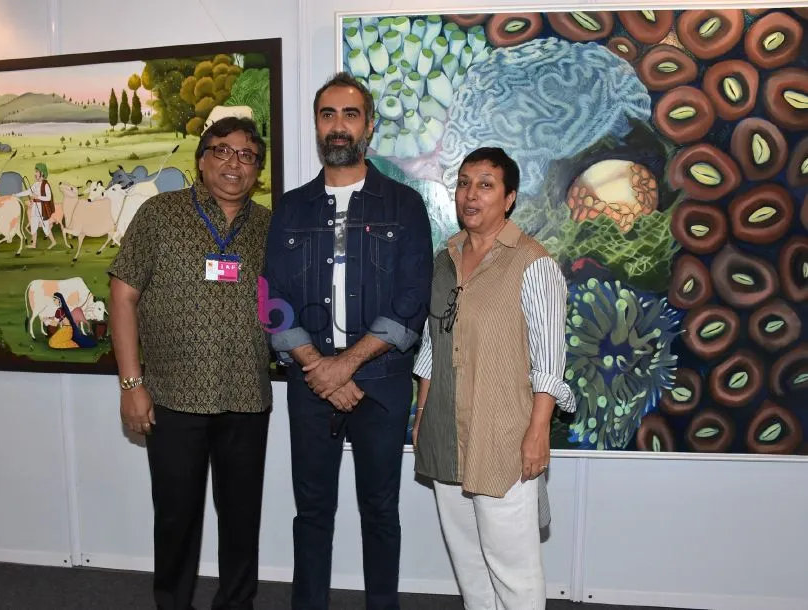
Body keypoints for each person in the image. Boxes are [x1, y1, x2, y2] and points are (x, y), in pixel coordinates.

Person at [264, 72, 433, 610]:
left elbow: (412, 300)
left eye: (350, 114)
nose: (338, 126)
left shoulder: (403, 206)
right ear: (317, 124)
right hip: (310, 384)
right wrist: (320, 367)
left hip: (381, 383)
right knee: (312, 511)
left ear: (369, 126)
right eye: (328, 114)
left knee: (380, 508)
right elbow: (273, 298)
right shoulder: (289, 209)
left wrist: (348, 366)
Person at [107, 116, 272, 610]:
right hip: (173, 398)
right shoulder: (160, 214)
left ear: (257, 169)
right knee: (177, 516)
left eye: (246, 155)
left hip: (245, 397)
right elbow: (122, 295)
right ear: (200, 160)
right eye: (221, 150)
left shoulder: (269, 225)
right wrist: (131, 384)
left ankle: (236, 603)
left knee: (242, 517)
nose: (232, 163)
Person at [411, 147, 575, 610]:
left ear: (509, 198)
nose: (470, 194)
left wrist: (537, 433)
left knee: (513, 569)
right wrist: (423, 416)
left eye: (485, 185)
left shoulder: (533, 263)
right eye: (464, 183)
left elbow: (549, 362)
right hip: (444, 429)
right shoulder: (444, 260)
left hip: (502, 434)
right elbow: (431, 344)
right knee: (468, 562)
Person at [14, 162, 56, 249]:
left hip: (42, 208)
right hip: (34, 207)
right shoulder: (36, 184)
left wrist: (37, 196)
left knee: (45, 226)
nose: (35, 174)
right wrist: (16, 195)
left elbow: (48, 198)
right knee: (33, 224)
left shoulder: (45, 184)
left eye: (37, 171)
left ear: (42, 173)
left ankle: (53, 242)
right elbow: (28, 191)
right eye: (35, 171)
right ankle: (34, 244)